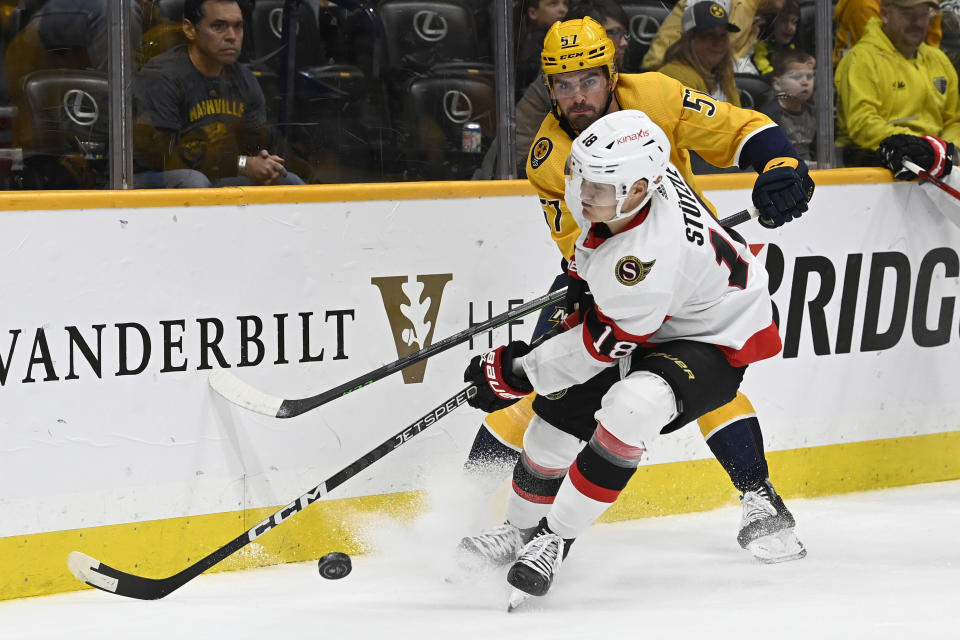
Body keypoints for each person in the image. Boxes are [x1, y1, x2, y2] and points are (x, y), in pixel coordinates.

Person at [463, 16, 813, 565]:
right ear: (548, 86)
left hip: (693, 276)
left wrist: (781, 163)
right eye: (563, 84)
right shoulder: (549, 156)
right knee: (549, 387)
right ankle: (482, 512)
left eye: (588, 80)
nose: (577, 97)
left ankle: (757, 495)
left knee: (693, 382)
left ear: (612, 71)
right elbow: (591, 251)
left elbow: (739, 127)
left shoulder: (655, 93)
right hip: (612, 277)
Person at [132, 0, 304, 188]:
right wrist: (243, 164)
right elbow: (166, 158)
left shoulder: (244, 79)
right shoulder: (162, 77)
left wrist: (267, 161)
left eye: (238, 27)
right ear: (190, 29)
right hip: (146, 179)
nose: (231, 36)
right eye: (219, 26)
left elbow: (262, 140)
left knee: (287, 180)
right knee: (194, 181)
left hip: (212, 173)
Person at [835, 0, 960, 168]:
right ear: (885, 15)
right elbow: (862, 123)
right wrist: (920, 147)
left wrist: (947, 148)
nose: (917, 23)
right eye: (908, 15)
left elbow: (953, 120)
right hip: (873, 168)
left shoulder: (938, 60)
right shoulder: (861, 60)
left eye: (923, 14)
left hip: (936, 164)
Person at [515, 0, 630, 177]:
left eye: (624, 34)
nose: (623, 42)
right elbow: (520, 151)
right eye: (613, 33)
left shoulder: (627, 81)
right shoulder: (552, 86)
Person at [641, 0, 786, 72]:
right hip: (669, 74)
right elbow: (700, 48)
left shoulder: (755, 16)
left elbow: (738, 61)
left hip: (713, 77)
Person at [656, 1, 742, 106]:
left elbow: (738, 115)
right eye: (710, 35)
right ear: (690, 39)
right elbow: (691, 121)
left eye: (723, 35)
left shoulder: (723, 73)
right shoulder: (677, 76)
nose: (719, 42)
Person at [834, 0, 942, 65]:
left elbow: (930, 50)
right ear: (885, 14)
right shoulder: (862, 4)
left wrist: (932, 13)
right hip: (868, 70)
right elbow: (881, 54)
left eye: (923, 14)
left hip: (902, 63)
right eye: (907, 13)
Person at [760, 49, 816, 163]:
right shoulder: (768, 116)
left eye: (809, 77)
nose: (805, 82)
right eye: (796, 77)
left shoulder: (814, 113)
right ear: (777, 84)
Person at [515, 0, 569, 99]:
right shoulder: (533, 44)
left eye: (565, 4)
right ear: (533, 13)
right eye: (553, 4)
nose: (563, 9)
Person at [752, 0, 801, 76]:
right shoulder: (761, 48)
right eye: (784, 21)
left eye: (794, 22)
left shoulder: (793, 48)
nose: (790, 27)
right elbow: (768, 75)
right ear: (771, 23)